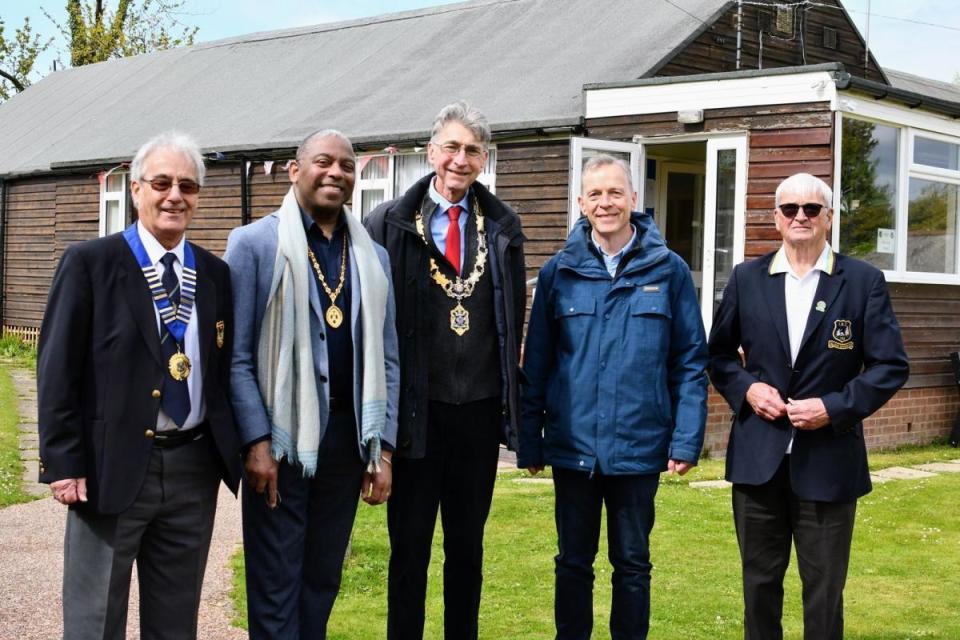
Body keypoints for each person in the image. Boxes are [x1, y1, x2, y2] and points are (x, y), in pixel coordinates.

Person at [37, 131, 241, 640]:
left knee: (176, 622)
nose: (175, 196)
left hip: (193, 467)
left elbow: (220, 372)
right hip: (113, 464)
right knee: (94, 620)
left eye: (188, 186)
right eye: (163, 182)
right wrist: (64, 462)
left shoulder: (215, 274)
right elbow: (57, 369)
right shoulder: (91, 264)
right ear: (135, 188)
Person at [708, 172, 909, 639]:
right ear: (776, 219)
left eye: (812, 209)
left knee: (823, 593)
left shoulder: (863, 282)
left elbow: (890, 366)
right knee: (759, 587)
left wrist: (834, 408)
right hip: (759, 463)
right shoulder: (747, 278)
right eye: (790, 209)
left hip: (829, 463)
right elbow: (717, 355)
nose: (801, 216)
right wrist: (748, 389)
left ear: (829, 219)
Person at [518, 154, 708, 640]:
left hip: (638, 447)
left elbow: (689, 361)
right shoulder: (559, 272)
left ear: (633, 199)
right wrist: (530, 441)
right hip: (573, 445)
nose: (606, 203)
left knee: (632, 565)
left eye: (615, 193)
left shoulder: (669, 270)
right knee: (573, 563)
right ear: (581, 203)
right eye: (596, 194)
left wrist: (686, 440)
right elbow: (536, 361)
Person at [225, 128, 399, 639]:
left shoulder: (373, 257)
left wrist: (382, 449)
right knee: (276, 582)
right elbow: (235, 358)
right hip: (281, 444)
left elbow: (388, 359)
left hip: (347, 444)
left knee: (322, 579)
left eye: (347, 165)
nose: (336, 172)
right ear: (295, 170)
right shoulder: (254, 245)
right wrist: (256, 441)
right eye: (324, 161)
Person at [364, 100, 526, 639]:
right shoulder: (386, 222)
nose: (460, 159)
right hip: (416, 415)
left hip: (476, 414)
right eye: (451, 147)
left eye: (472, 150)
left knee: (466, 550)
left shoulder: (503, 226)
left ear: (484, 159)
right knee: (408, 551)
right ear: (431, 152)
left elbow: (511, 322)